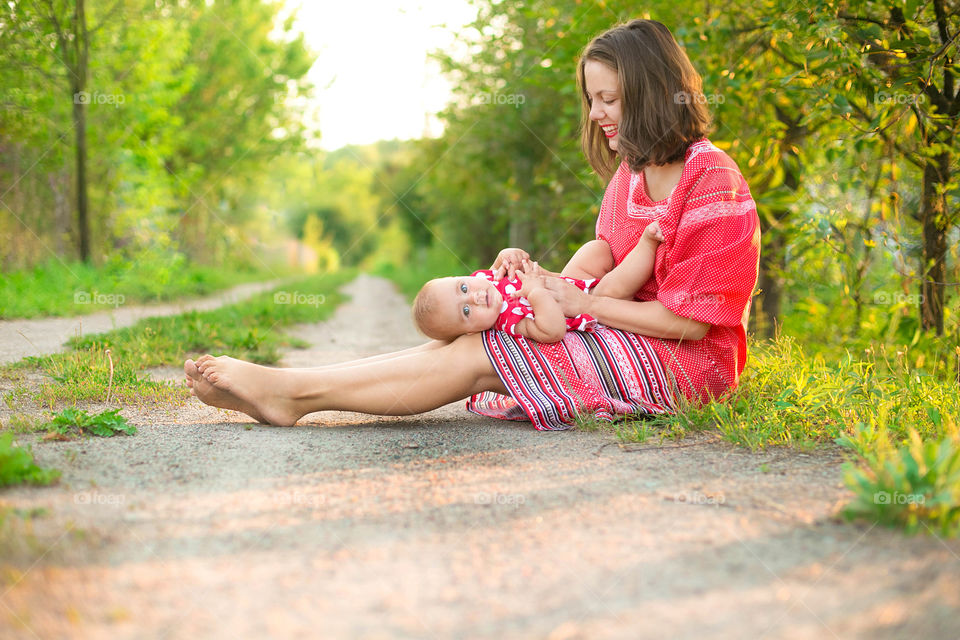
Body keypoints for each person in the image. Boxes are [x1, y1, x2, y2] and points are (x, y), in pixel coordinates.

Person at [184, 19, 760, 431]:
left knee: (482, 354)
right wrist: (542, 286)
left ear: (655, 94)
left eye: (608, 99)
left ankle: (292, 395)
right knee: (479, 334)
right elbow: (598, 266)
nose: (595, 115)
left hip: (690, 365)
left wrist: (581, 306)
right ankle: (293, 388)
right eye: (592, 99)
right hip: (622, 335)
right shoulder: (630, 177)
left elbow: (688, 326)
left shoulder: (713, 182)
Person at [413, 220, 664, 343]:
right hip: (589, 304)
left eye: (463, 288)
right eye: (466, 310)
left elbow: (497, 268)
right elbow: (552, 331)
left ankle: (632, 267)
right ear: (469, 332)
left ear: (464, 278)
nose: (475, 297)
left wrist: (507, 255)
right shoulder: (508, 322)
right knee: (612, 288)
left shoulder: (484, 282)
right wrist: (535, 293)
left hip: (568, 284)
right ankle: (649, 243)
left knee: (595, 250)